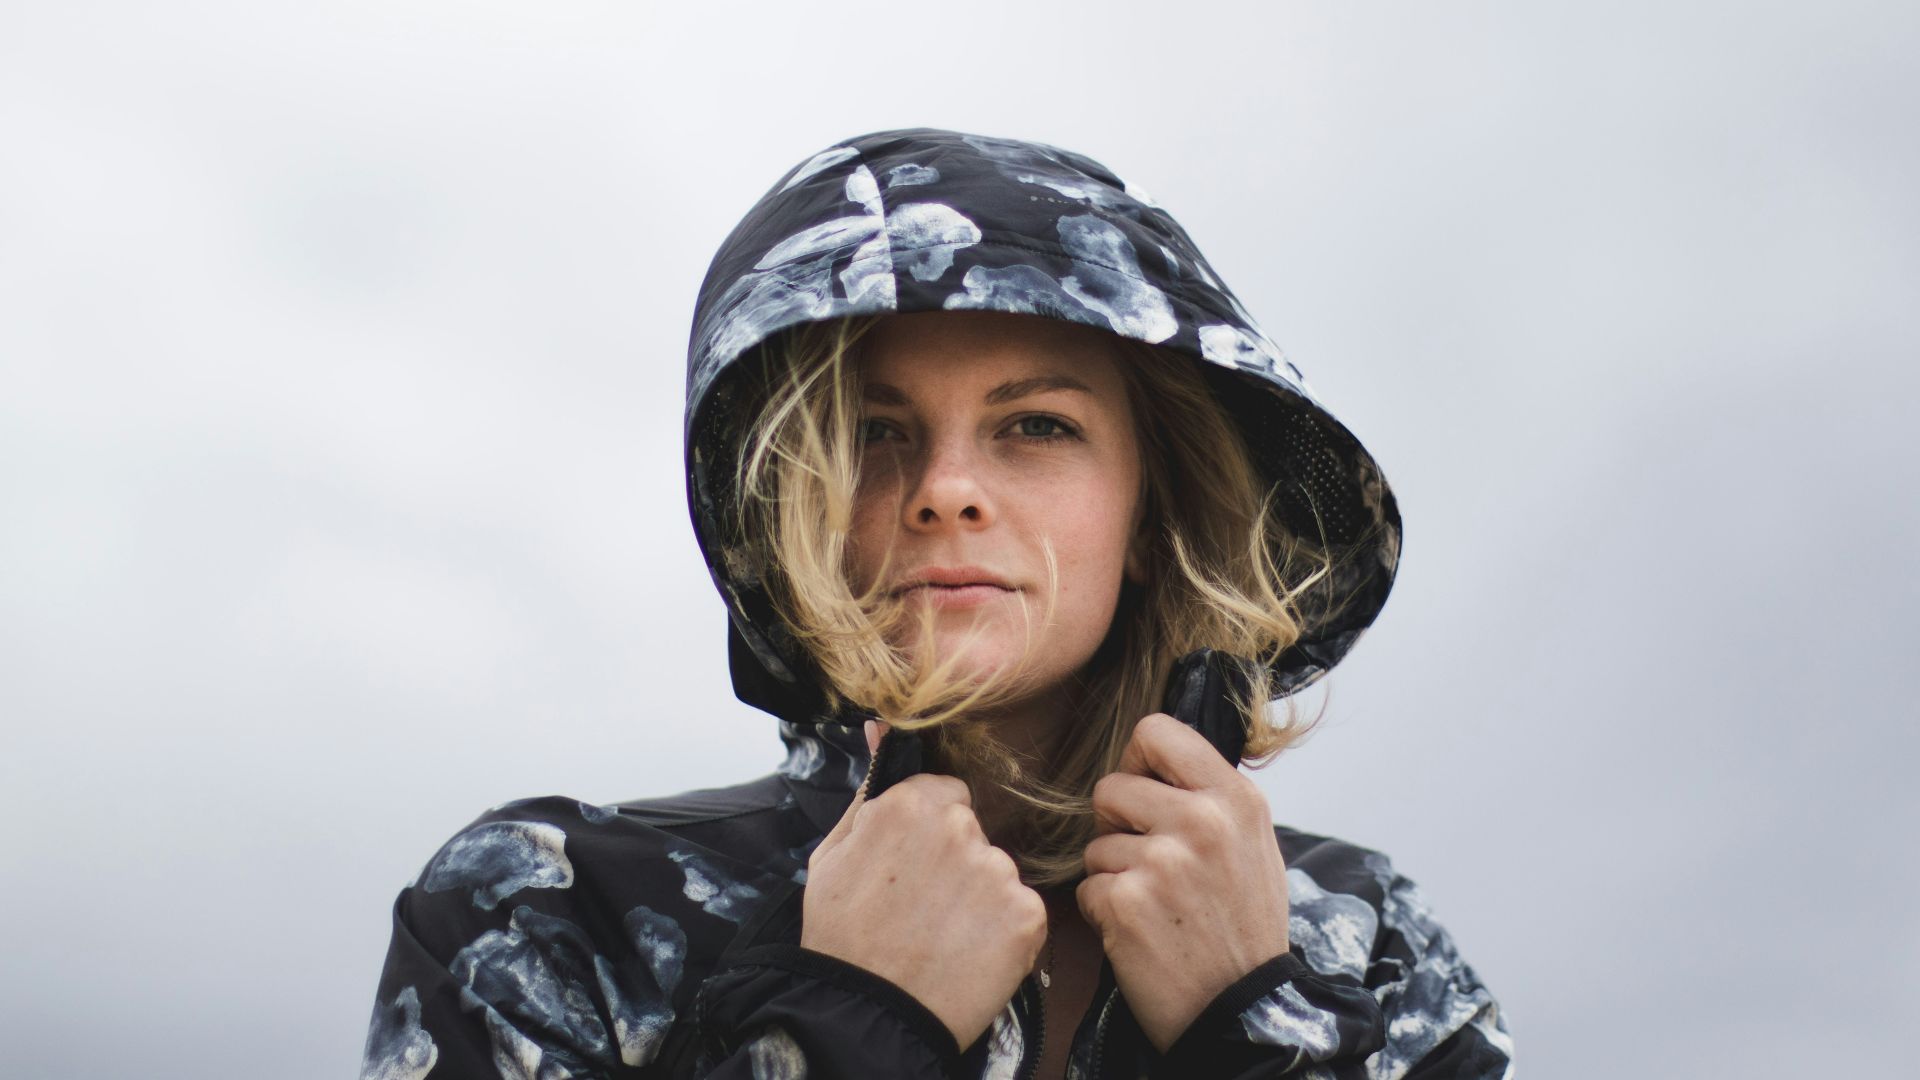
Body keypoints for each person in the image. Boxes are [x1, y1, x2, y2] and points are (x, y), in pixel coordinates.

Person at [360, 127, 1513, 1080]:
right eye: (871, 435)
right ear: (787, 512)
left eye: (1037, 427)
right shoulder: (552, 919)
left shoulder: (1370, 958)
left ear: (1156, 519)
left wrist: (1256, 1025)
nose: (947, 490)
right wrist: (847, 1024)